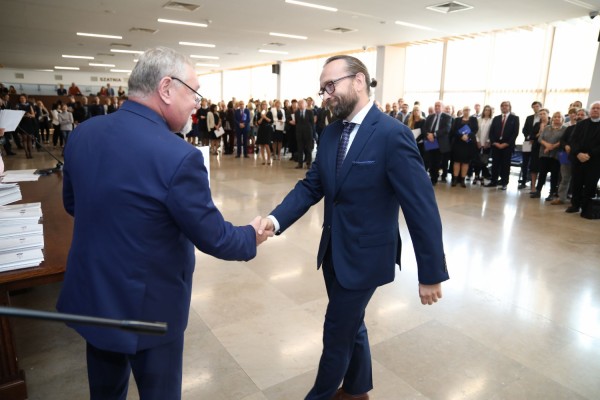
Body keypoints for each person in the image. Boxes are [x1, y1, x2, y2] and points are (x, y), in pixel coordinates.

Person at [56, 47, 271, 400]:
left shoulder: (83, 134)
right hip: (149, 307)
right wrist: (251, 234)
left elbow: (73, 204)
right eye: (195, 92)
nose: (199, 103)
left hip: (95, 297)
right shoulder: (178, 156)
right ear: (167, 88)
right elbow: (214, 236)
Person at [258, 55, 448, 400]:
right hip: (333, 252)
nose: (326, 95)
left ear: (358, 80)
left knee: (336, 333)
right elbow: (311, 186)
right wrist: (274, 220)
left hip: (367, 257)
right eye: (322, 89)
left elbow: (421, 208)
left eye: (331, 85)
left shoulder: (393, 134)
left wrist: (431, 272)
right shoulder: (331, 132)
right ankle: (358, 389)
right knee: (350, 324)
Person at [566, 101, 600, 215]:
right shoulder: (581, 124)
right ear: (590, 111)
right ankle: (575, 205)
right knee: (577, 183)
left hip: (595, 161)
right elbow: (573, 140)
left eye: (598, 108)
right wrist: (578, 153)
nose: (595, 110)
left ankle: (586, 207)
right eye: (593, 108)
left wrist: (589, 155)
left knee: (590, 184)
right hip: (578, 159)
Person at [485, 101, 520, 190]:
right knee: (495, 164)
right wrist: (494, 142)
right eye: (502, 106)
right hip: (496, 145)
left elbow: (515, 133)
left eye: (506, 106)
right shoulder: (496, 118)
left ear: (509, 107)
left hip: (507, 146)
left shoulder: (515, 118)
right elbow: (491, 132)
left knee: (505, 165)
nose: (504, 107)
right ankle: (493, 181)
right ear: (500, 107)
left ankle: (504, 183)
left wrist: (507, 143)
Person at [450, 106, 478, 187]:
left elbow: (475, 130)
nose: (467, 111)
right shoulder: (457, 119)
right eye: (465, 110)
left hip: (468, 144)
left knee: (466, 162)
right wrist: (461, 136)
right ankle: (455, 179)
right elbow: (454, 130)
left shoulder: (473, 119)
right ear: (463, 111)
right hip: (458, 143)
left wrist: (468, 136)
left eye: (468, 110)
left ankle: (462, 180)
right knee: (457, 161)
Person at [255, 100, 273, 165]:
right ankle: (263, 159)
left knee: (267, 144)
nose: (264, 106)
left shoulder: (269, 112)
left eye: (265, 104)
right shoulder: (259, 113)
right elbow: (258, 123)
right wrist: (262, 118)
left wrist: (265, 117)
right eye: (262, 104)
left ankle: (269, 158)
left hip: (267, 129)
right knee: (261, 145)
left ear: (266, 105)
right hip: (261, 129)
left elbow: (271, 121)